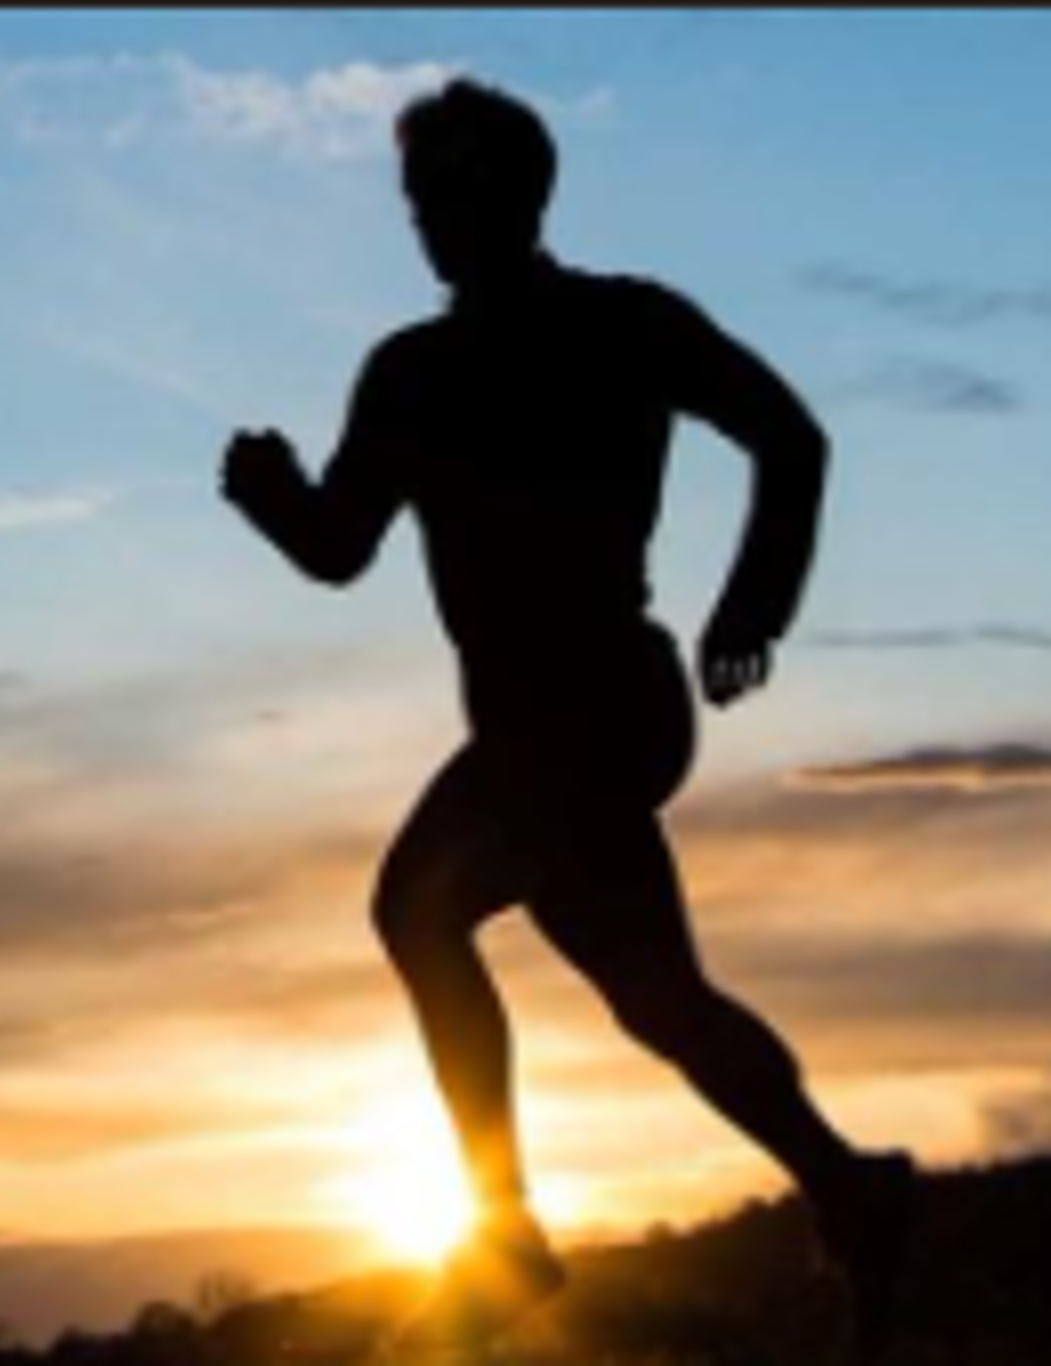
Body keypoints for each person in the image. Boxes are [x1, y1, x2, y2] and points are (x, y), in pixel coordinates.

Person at [220, 78, 915, 1356]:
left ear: (516, 197)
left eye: (449, 196)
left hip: (600, 704)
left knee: (418, 911)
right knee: (656, 999)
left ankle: (505, 1239)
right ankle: (849, 1188)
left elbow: (789, 440)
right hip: (527, 732)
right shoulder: (411, 373)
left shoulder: (617, 325)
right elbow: (335, 546)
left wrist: (752, 603)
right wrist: (268, 496)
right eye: (418, 202)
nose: (430, 223)